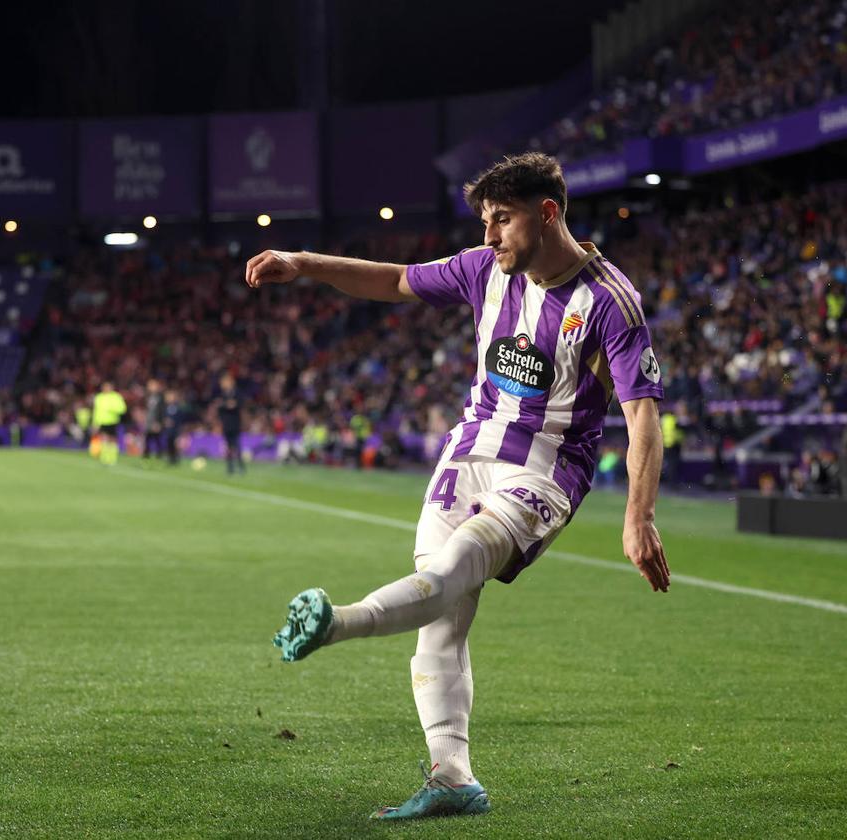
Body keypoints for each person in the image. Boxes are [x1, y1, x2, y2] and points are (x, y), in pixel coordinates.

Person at [245, 152, 670, 821]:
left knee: (450, 571)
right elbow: (393, 281)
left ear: (547, 212)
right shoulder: (483, 270)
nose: (489, 236)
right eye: (485, 221)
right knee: (442, 614)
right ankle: (452, 777)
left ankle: (335, 624)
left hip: (543, 471)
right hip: (466, 455)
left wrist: (637, 517)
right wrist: (304, 262)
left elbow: (643, 413)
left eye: (501, 220)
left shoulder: (609, 302)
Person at [91, 381, 127, 466]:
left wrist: (111, 408)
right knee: (103, 438)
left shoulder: (116, 397)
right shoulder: (99, 397)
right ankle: (104, 457)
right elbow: (96, 411)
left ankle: (112, 457)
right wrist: (95, 422)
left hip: (112, 421)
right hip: (102, 421)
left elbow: (122, 409)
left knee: (112, 440)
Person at [216, 373, 246, 474]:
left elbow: (240, 404)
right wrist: (227, 405)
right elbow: (220, 407)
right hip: (226, 424)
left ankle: (241, 466)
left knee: (237, 446)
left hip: (235, 424)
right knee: (228, 447)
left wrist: (233, 405)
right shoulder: (223, 395)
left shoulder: (237, 393)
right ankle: (230, 467)